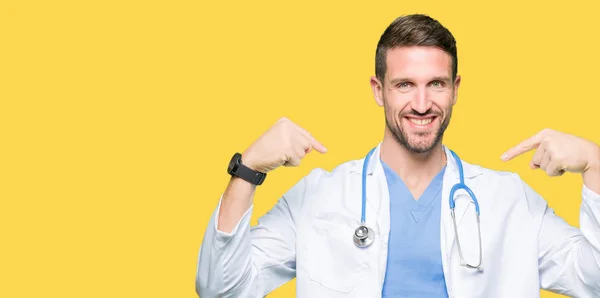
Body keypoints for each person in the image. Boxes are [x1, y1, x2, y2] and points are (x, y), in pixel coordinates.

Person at [195, 14, 600, 298]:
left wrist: (596, 166)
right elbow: (220, 289)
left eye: (436, 84)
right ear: (378, 90)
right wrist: (247, 170)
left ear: (456, 88)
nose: (422, 104)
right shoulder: (319, 196)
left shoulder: (508, 199)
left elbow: (593, 281)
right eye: (404, 84)